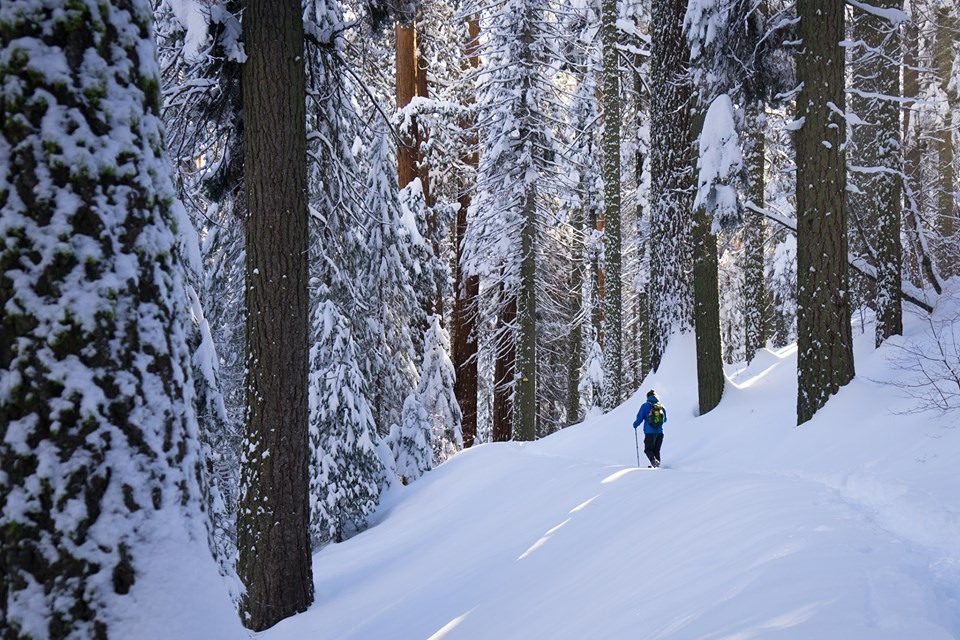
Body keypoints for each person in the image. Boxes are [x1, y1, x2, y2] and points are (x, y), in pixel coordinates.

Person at [633, 389, 667, 468]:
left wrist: (635, 425)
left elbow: (639, 418)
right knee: (656, 450)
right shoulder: (661, 406)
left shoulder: (645, 406)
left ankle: (653, 461)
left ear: (648, 397)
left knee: (648, 449)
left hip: (649, 433)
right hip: (660, 433)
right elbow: (665, 420)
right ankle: (657, 466)